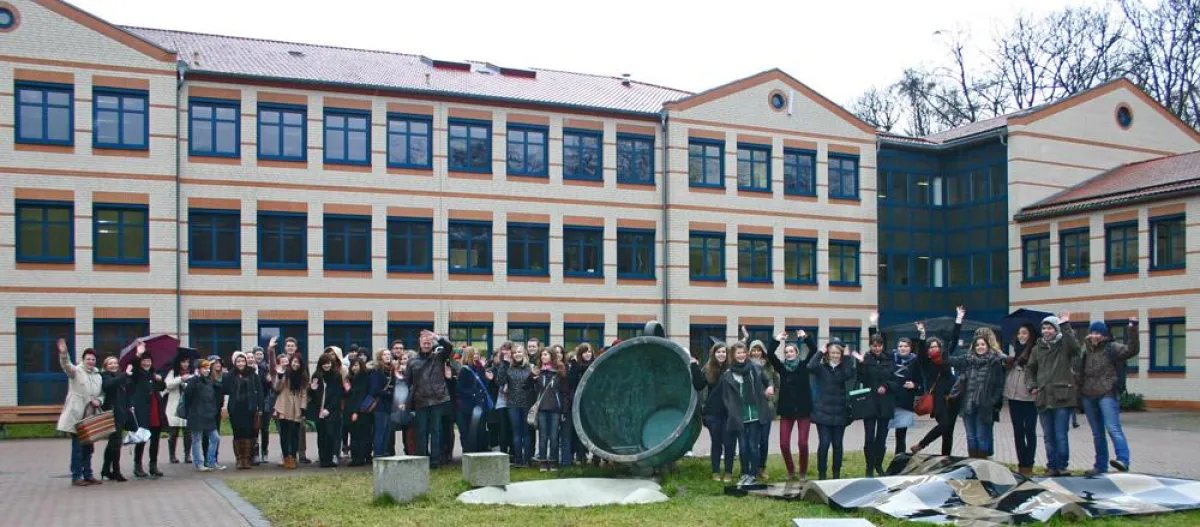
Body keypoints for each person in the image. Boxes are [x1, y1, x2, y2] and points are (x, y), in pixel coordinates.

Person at [1079, 318, 1139, 475]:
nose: (1095, 336)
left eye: (1098, 333)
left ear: (1105, 335)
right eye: (1092, 332)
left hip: (1107, 394)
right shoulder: (1086, 350)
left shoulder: (1112, 348)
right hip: (1088, 395)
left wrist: (1132, 329)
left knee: (1113, 428)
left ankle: (1123, 461)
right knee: (1097, 433)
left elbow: (1131, 350)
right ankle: (1100, 465)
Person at [1026, 313, 1081, 477]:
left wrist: (1065, 325)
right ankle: (1052, 466)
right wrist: (1032, 385)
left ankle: (1062, 466)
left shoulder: (1064, 346)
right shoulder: (1037, 349)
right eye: (1044, 328)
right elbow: (1030, 369)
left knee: (1060, 434)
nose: (1046, 331)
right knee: (1048, 436)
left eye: (1049, 328)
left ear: (1056, 330)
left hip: (1062, 397)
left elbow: (1076, 348)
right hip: (1043, 397)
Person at [851, 315, 901, 478]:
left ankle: (879, 464)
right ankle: (869, 467)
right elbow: (862, 379)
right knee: (869, 437)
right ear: (870, 346)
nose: (877, 348)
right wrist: (860, 363)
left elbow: (895, 380)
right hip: (870, 404)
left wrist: (886, 386)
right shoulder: (866, 359)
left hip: (885, 404)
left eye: (879, 345)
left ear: (882, 346)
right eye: (874, 345)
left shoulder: (889, 360)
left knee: (882, 437)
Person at [911, 307, 964, 456]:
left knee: (949, 432)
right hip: (938, 400)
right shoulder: (925, 362)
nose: (934, 349)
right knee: (944, 424)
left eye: (937, 346)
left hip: (953, 398)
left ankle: (945, 458)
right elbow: (920, 352)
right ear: (928, 350)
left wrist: (959, 319)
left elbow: (953, 341)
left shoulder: (945, 358)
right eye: (931, 347)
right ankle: (921, 444)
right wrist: (922, 334)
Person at [719, 341, 774, 486]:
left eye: (744, 352)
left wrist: (769, 387)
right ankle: (744, 472)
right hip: (739, 415)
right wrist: (731, 411)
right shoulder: (728, 374)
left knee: (753, 445)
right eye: (739, 353)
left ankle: (753, 473)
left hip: (755, 413)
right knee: (743, 446)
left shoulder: (755, 368)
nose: (742, 355)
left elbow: (767, 380)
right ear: (733, 355)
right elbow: (726, 398)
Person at [765, 330, 816, 481]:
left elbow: (813, 350)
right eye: (786, 352)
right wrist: (777, 340)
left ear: (797, 352)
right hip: (786, 410)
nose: (788, 354)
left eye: (791, 351)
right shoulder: (782, 368)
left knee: (802, 443)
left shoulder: (804, 366)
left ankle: (803, 472)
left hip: (803, 410)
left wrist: (805, 338)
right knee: (784, 444)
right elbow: (769, 354)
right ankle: (791, 470)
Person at [808, 336, 855, 480]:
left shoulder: (844, 368)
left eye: (837, 353)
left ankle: (836, 474)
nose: (834, 355)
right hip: (823, 412)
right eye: (832, 353)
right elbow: (810, 366)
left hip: (840, 413)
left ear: (841, 355)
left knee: (837, 445)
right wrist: (820, 352)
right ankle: (822, 473)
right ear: (828, 354)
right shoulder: (822, 368)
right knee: (824, 444)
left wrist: (847, 356)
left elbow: (849, 373)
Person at [407, 330, 453, 469]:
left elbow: (449, 347)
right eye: (424, 342)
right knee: (421, 431)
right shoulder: (412, 361)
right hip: (420, 400)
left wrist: (436, 337)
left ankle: (435, 461)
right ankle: (422, 459)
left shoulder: (439, 357)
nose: (426, 345)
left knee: (436, 431)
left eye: (429, 343)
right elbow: (407, 381)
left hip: (438, 399)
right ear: (420, 343)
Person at [956, 332, 1007, 459]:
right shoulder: (967, 361)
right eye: (977, 345)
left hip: (984, 406)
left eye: (983, 344)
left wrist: (992, 401)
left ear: (988, 346)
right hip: (967, 404)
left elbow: (999, 385)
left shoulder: (994, 362)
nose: (980, 347)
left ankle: (983, 465)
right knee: (970, 436)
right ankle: (972, 464)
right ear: (973, 347)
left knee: (981, 435)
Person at [693, 342, 732, 482]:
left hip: (729, 412)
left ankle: (728, 471)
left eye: (724, 352)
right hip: (713, 413)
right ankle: (715, 471)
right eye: (718, 352)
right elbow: (699, 385)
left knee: (728, 442)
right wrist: (694, 367)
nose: (721, 354)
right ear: (713, 354)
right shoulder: (708, 368)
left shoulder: (732, 369)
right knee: (716, 442)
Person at [741, 330, 777, 482]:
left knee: (764, 440)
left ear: (763, 351)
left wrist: (771, 393)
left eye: (759, 350)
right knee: (752, 441)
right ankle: (750, 468)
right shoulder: (747, 365)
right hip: (753, 409)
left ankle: (761, 467)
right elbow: (736, 352)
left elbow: (774, 382)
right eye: (753, 350)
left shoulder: (769, 365)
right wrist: (744, 339)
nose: (756, 353)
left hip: (767, 407)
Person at [1004, 324, 1039, 477]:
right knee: (1018, 432)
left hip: (1030, 397)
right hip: (1014, 396)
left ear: (1030, 335)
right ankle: (1021, 464)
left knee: (1029, 431)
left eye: (1024, 333)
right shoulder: (1015, 352)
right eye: (1019, 333)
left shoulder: (1036, 352)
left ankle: (1029, 463)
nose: (1021, 336)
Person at [129, 344, 167, 479]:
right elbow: (133, 365)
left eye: (149, 361)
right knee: (142, 439)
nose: (147, 363)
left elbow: (162, 387)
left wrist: (160, 379)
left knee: (155, 439)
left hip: (155, 410)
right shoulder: (137, 374)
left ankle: (153, 465)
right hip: (143, 411)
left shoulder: (154, 374)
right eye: (144, 361)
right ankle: (137, 466)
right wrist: (138, 354)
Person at [497, 344, 537, 467]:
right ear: (512, 355)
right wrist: (504, 363)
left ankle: (527, 460)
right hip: (512, 404)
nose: (517, 354)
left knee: (526, 432)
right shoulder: (508, 367)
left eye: (519, 352)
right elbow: (500, 381)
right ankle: (518, 460)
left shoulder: (531, 367)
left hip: (527, 404)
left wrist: (533, 379)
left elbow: (533, 386)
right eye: (515, 352)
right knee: (516, 432)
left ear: (524, 353)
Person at [533, 346, 568, 472]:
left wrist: (563, 410)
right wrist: (531, 377)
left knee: (554, 437)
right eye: (542, 355)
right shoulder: (538, 372)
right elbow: (527, 387)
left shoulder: (558, 372)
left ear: (552, 356)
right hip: (542, 409)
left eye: (546, 355)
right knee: (543, 437)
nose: (543, 357)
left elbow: (564, 392)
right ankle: (542, 462)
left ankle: (553, 462)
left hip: (555, 409)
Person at [309, 350, 346, 468]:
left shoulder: (336, 376)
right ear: (320, 364)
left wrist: (328, 409)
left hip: (332, 410)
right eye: (324, 363)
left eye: (328, 363)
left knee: (331, 434)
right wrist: (312, 389)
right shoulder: (316, 375)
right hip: (319, 411)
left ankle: (331, 458)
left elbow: (338, 394)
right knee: (321, 435)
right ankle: (323, 459)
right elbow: (312, 394)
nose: (327, 365)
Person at [227, 351, 263, 470]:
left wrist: (260, 407)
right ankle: (239, 459)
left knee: (248, 433)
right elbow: (225, 390)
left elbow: (260, 391)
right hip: (235, 408)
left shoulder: (252, 374)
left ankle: (247, 459)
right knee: (237, 433)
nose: (241, 363)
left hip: (249, 408)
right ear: (235, 363)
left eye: (243, 361)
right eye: (239, 361)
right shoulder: (230, 375)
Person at [273, 353, 310, 470]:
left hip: (297, 407)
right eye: (294, 362)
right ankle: (286, 457)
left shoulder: (303, 376)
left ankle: (293, 457)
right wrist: (279, 376)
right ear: (290, 362)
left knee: (295, 434)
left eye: (298, 362)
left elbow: (304, 393)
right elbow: (276, 388)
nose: (296, 364)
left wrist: (303, 409)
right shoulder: (285, 373)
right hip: (284, 405)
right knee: (284, 434)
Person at [183, 359, 221, 471]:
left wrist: (213, 411)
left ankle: (211, 461)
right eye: (204, 368)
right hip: (197, 415)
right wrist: (194, 378)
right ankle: (199, 463)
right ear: (198, 369)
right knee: (197, 439)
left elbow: (214, 394)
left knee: (215, 438)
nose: (207, 370)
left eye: (208, 368)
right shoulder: (193, 381)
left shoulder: (209, 381)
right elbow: (187, 395)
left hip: (209, 415)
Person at [99, 355, 132, 482]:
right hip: (111, 414)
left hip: (122, 413)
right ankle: (116, 471)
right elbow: (109, 385)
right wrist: (124, 375)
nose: (113, 365)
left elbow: (127, 392)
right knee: (116, 443)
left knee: (113, 443)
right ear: (106, 367)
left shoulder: (121, 377)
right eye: (110, 364)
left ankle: (106, 469)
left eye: (115, 363)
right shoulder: (105, 376)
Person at [456, 347, 493, 454]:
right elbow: (461, 389)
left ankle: (479, 452)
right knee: (467, 431)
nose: (477, 356)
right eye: (474, 353)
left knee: (480, 430)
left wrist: (487, 378)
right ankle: (468, 452)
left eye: (478, 353)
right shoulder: (464, 370)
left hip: (479, 405)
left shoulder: (480, 368)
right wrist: (474, 393)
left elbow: (484, 385)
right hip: (467, 406)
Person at [565, 343, 595, 466]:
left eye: (589, 352)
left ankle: (593, 456)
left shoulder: (595, 365)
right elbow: (570, 381)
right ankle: (579, 455)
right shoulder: (575, 366)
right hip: (577, 402)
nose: (587, 354)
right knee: (577, 430)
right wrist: (575, 366)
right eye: (585, 352)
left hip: (591, 402)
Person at [368, 348, 397, 457]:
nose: (387, 356)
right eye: (384, 354)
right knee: (380, 430)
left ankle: (384, 453)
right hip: (379, 405)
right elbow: (374, 390)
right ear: (380, 357)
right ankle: (378, 454)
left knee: (387, 431)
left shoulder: (391, 370)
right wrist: (389, 394)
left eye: (389, 354)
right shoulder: (376, 370)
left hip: (389, 405)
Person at [165, 353, 193, 464]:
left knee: (188, 433)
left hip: (187, 406)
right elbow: (167, 385)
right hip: (174, 406)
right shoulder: (172, 373)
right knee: (173, 433)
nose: (186, 364)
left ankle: (187, 455)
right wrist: (180, 379)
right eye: (183, 362)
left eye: (187, 362)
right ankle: (172, 455)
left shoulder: (192, 373)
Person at [346, 356, 373, 466]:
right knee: (355, 435)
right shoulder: (352, 378)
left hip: (361, 411)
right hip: (353, 409)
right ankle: (357, 457)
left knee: (361, 435)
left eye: (356, 365)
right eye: (352, 366)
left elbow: (361, 395)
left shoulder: (363, 377)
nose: (354, 368)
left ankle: (359, 458)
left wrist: (356, 412)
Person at [488, 343, 513, 456]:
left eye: (508, 350)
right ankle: (503, 453)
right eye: (503, 351)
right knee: (502, 428)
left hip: (515, 401)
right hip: (501, 401)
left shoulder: (517, 364)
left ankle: (513, 453)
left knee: (513, 428)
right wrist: (505, 363)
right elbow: (499, 381)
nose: (505, 353)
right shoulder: (499, 366)